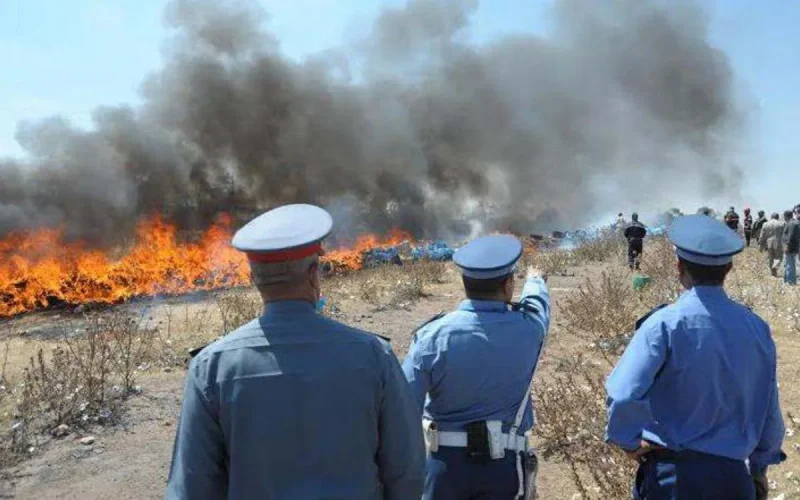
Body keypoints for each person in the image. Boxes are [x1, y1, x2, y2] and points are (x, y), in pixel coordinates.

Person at [166, 204, 425, 499]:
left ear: (254, 279)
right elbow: (408, 471)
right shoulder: (374, 355)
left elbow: (191, 486)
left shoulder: (210, 367)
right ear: (314, 274)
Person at [605, 214, 785, 500]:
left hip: (672, 479)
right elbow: (769, 409)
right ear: (729, 268)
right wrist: (759, 468)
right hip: (733, 478)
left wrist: (628, 442)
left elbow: (624, 394)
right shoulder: (757, 328)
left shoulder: (663, 324)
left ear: (679, 268)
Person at [402, 234, 551, 500]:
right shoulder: (529, 330)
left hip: (443, 467)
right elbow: (538, 306)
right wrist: (536, 280)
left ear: (464, 283)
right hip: (504, 468)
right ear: (508, 284)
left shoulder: (431, 337)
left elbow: (403, 410)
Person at [760, 213, 785, 277]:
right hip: (778, 242)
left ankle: (773, 274)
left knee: (770, 258)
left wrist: (761, 244)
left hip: (768, 243)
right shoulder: (782, 224)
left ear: (771, 217)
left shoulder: (765, 224)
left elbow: (762, 235)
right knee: (779, 257)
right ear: (778, 217)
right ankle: (775, 266)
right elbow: (785, 234)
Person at [783, 208, 800, 285]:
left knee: (790, 264)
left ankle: (790, 282)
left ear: (786, 216)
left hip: (790, 247)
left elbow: (790, 235)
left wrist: (787, 245)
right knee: (790, 263)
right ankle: (788, 280)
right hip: (793, 247)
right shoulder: (795, 222)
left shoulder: (791, 223)